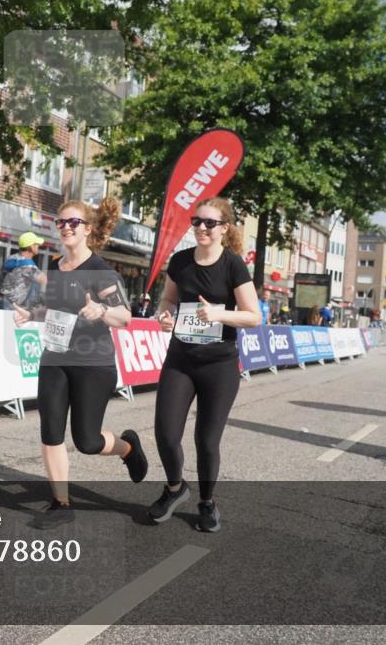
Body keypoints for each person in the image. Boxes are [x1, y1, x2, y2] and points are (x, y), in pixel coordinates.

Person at [14, 197, 146, 529]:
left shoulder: (101, 271)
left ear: (86, 229)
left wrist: (101, 311)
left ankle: (128, 448)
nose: (67, 228)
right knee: (51, 430)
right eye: (61, 222)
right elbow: (53, 309)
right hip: (55, 359)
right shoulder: (56, 266)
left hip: (93, 364)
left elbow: (125, 317)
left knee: (87, 441)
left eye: (74, 222)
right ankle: (61, 503)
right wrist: (31, 314)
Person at [150, 197, 261, 532]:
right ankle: (174, 489)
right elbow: (168, 298)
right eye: (196, 221)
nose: (201, 227)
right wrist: (164, 315)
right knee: (166, 434)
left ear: (224, 228)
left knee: (206, 440)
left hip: (219, 365)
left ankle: (207, 502)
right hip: (180, 359)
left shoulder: (233, 265)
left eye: (209, 223)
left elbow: (254, 317)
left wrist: (218, 313)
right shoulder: (181, 261)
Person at [0, 231, 46, 310]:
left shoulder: (11, 258)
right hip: (8, 306)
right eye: (36, 244)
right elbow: (44, 280)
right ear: (31, 247)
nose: (38, 246)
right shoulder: (28, 265)